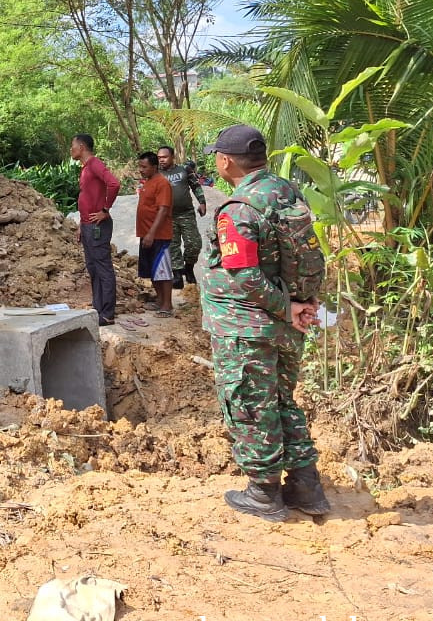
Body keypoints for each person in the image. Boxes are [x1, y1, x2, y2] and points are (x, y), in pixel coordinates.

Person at [201, 124, 328, 522]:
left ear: (225, 161)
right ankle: (305, 486)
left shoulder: (238, 208)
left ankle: (264, 492)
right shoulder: (286, 192)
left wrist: (286, 308)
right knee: (282, 401)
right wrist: (302, 302)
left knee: (251, 406)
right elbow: (304, 254)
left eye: (217, 157)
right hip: (286, 325)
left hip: (247, 327)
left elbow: (245, 274)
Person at [70, 133, 120, 327]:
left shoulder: (95, 164)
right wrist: (82, 225)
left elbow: (114, 183)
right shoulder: (85, 168)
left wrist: (105, 210)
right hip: (88, 226)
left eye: (73, 146)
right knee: (93, 268)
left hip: (98, 226)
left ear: (81, 147)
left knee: (103, 268)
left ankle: (107, 314)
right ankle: (98, 309)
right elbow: (88, 197)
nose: (71, 150)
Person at [157, 145, 207, 289]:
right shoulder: (156, 173)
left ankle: (189, 268)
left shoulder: (185, 169)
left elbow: (196, 186)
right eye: (159, 158)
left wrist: (202, 202)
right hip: (166, 216)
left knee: (194, 244)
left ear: (172, 157)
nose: (161, 160)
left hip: (186, 213)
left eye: (164, 157)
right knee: (173, 246)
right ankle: (177, 275)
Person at [136, 151, 174, 316]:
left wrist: (151, 233)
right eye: (140, 166)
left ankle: (167, 304)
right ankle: (159, 300)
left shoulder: (162, 183)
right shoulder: (148, 182)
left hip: (159, 235)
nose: (141, 170)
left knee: (162, 270)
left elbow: (163, 209)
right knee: (152, 270)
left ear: (154, 167)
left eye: (144, 167)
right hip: (146, 233)